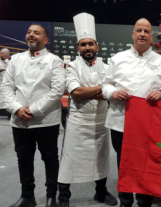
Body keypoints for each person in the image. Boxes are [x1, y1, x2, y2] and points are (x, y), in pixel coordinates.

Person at [102, 18, 161, 207]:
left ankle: (144, 201)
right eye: (139, 30)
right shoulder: (118, 58)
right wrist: (112, 92)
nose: (142, 34)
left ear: (152, 37)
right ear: (133, 34)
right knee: (123, 164)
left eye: (146, 31)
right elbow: (105, 85)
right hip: (120, 121)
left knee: (147, 165)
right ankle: (125, 201)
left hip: (149, 124)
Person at [1, 23, 66, 207]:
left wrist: (33, 110)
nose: (31, 35)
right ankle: (27, 196)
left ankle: (51, 197)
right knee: (24, 159)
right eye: (29, 32)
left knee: (50, 159)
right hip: (19, 121)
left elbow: (57, 91)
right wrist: (16, 108)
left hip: (46, 121)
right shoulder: (15, 60)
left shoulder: (55, 61)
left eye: (36, 33)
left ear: (45, 40)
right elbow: (6, 87)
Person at [57, 13, 118, 207]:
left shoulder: (107, 67)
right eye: (83, 44)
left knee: (101, 159)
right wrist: (102, 91)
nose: (87, 47)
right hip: (78, 121)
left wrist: (90, 92)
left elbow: (99, 93)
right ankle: (63, 197)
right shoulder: (72, 66)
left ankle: (101, 192)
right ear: (78, 48)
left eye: (90, 44)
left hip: (101, 120)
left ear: (97, 47)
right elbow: (76, 93)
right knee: (68, 160)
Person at [0, 48, 11, 119]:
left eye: (7, 57)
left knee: (5, 99)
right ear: (1, 53)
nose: (6, 58)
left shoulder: (6, 60)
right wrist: (3, 69)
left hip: (5, 83)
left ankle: (8, 114)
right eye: (5, 56)